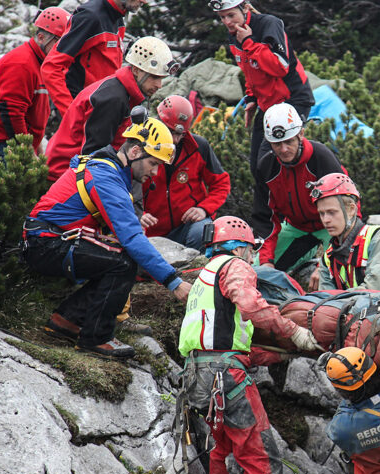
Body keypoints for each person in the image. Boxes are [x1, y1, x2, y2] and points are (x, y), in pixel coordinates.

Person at [178, 216, 321, 474]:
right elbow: (252, 307)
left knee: (220, 452)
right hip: (227, 378)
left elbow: (223, 342)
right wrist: (295, 334)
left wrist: (282, 354)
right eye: (253, 250)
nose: (254, 257)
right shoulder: (236, 266)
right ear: (241, 246)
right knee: (261, 459)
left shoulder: (205, 278)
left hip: (200, 376)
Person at [23, 117, 190, 358]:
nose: (155, 172)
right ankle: (96, 338)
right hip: (46, 243)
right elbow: (132, 238)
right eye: (153, 163)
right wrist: (174, 282)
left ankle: (66, 321)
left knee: (118, 258)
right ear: (134, 151)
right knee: (123, 263)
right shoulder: (107, 177)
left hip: (46, 240)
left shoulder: (108, 170)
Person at [46, 36, 175, 181]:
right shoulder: (113, 99)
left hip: (72, 172)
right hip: (64, 175)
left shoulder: (123, 93)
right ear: (136, 70)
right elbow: (93, 156)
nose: (159, 85)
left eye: (161, 78)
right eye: (154, 77)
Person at [209, 0, 313, 181]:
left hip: (292, 100)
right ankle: (268, 207)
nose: (227, 22)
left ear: (246, 8)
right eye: (222, 17)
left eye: (231, 15)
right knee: (258, 167)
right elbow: (250, 71)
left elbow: (280, 66)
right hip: (268, 104)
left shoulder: (269, 24)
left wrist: (249, 42)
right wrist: (251, 98)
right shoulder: (235, 34)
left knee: (273, 159)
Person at [250, 103, 346, 274]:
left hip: (331, 225)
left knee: (333, 274)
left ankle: (316, 257)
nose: (284, 149)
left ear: (301, 134)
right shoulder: (267, 166)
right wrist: (266, 261)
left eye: (289, 141)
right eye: (277, 144)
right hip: (296, 227)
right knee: (258, 272)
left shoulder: (321, 158)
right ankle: (306, 252)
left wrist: (324, 265)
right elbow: (265, 218)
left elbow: (347, 206)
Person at [140, 95, 231, 251]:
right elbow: (121, 187)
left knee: (203, 231)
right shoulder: (141, 147)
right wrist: (136, 214)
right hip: (148, 231)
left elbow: (221, 183)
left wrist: (204, 208)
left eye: (180, 134)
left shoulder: (198, 147)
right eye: (171, 132)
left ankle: (194, 272)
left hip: (186, 228)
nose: (175, 139)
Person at [0, 7, 71, 155]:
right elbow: (11, 113)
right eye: (60, 43)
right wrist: (27, 152)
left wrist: (36, 146)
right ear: (41, 38)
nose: (65, 50)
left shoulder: (43, 63)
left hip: (13, 142)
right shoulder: (21, 64)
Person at [41, 0, 148, 117]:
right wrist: (71, 113)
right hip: (82, 111)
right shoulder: (90, 16)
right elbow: (51, 67)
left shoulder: (119, 17)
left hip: (101, 110)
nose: (144, 1)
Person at [310, 172, 380, 293]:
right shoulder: (328, 257)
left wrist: (336, 301)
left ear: (351, 209)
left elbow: (374, 291)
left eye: (332, 212)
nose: (325, 220)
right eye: (322, 213)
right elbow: (325, 299)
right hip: (347, 311)